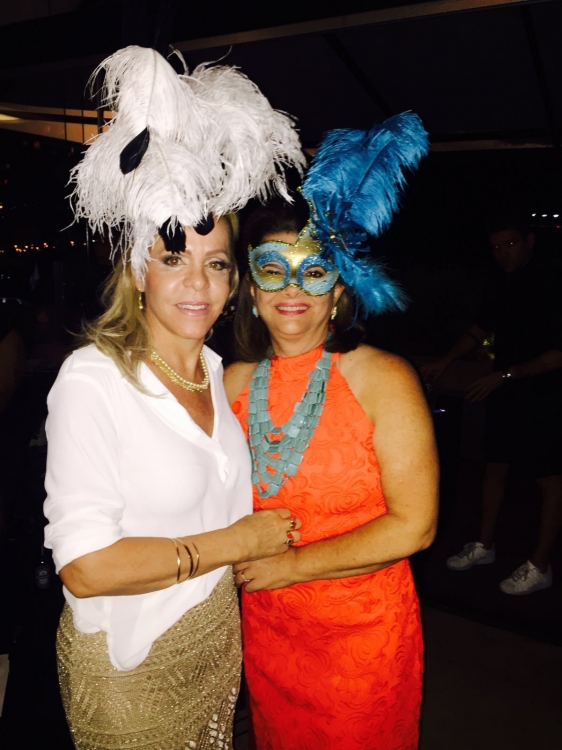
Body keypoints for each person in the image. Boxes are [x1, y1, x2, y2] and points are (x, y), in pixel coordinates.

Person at [43, 45, 305, 749]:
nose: (197, 283)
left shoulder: (218, 373)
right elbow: (86, 567)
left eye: (216, 263)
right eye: (173, 258)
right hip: (129, 665)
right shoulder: (93, 380)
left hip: (216, 644)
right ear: (138, 271)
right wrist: (238, 541)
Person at [224, 115, 439, 750]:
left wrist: (291, 566)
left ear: (338, 288)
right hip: (266, 631)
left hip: (360, 643)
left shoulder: (382, 378)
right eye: (272, 269)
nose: (292, 288)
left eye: (313, 271)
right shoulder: (230, 382)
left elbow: (415, 526)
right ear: (251, 289)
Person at [423, 214, 562, 594]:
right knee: (494, 467)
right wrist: (445, 360)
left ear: (530, 241)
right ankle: (484, 545)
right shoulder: (501, 281)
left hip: (547, 393)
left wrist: (507, 375)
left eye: (510, 244)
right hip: (505, 387)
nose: (502, 253)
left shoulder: (551, 282)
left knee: (550, 480)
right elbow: (480, 328)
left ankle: (540, 565)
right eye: (496, 247)